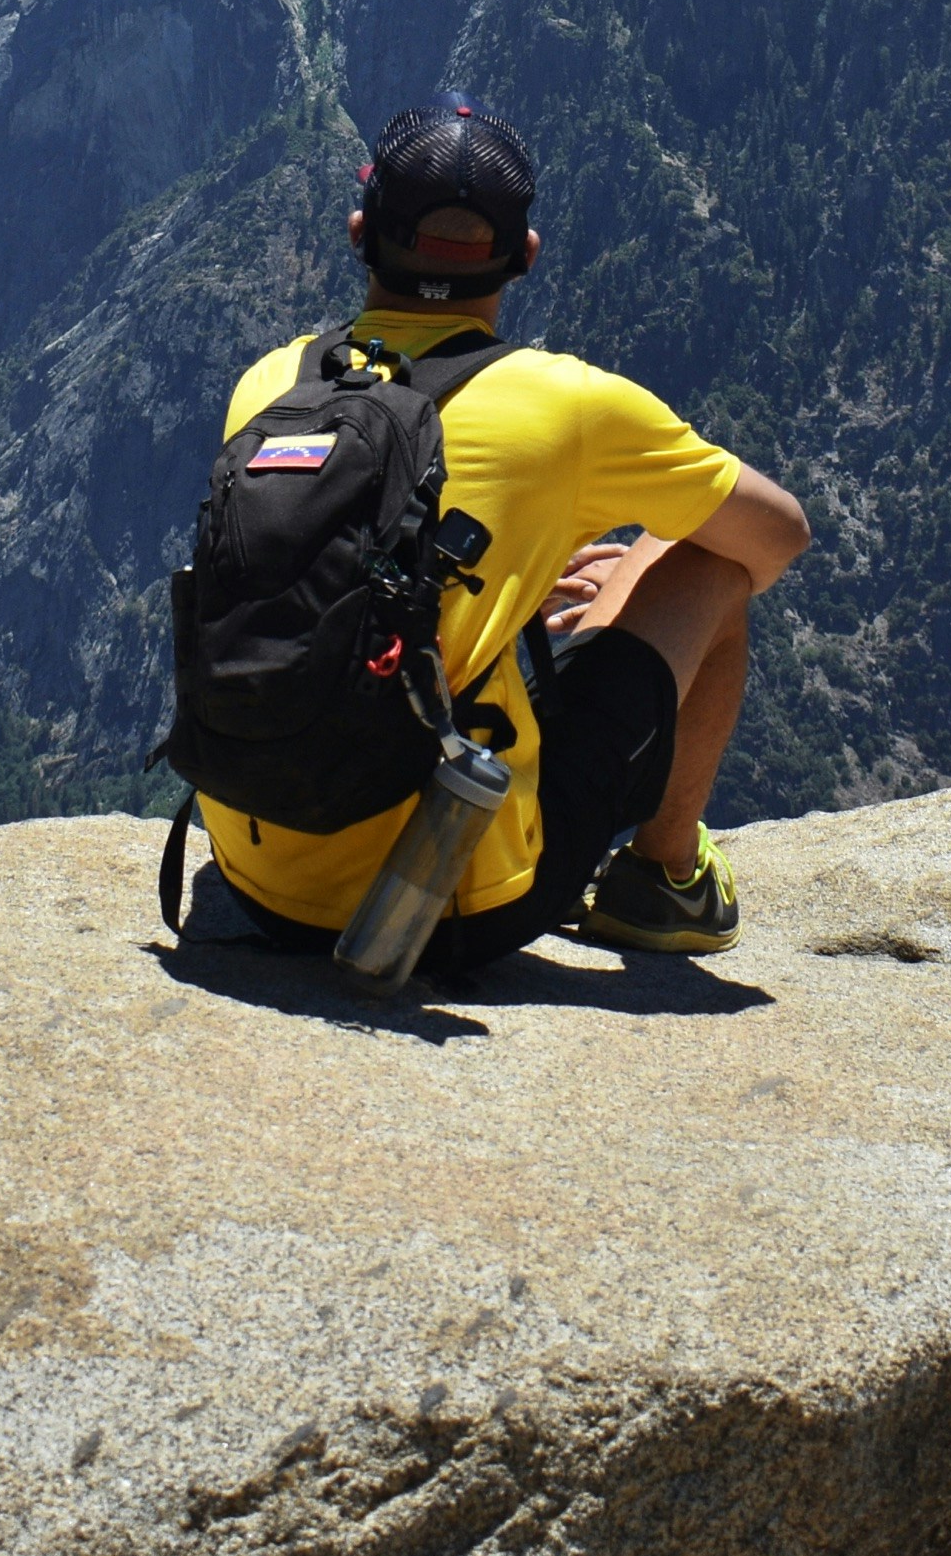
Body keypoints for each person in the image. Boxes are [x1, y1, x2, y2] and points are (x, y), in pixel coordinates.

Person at [193, 100, 809, 970]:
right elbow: (777, 537)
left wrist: (527, 558)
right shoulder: (568, 406)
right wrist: (634, 552)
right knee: (706, 560)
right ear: (525, 255)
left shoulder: (272, 384)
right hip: (444, 902)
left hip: (255, 879)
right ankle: (663, 885)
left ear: (359, 231)